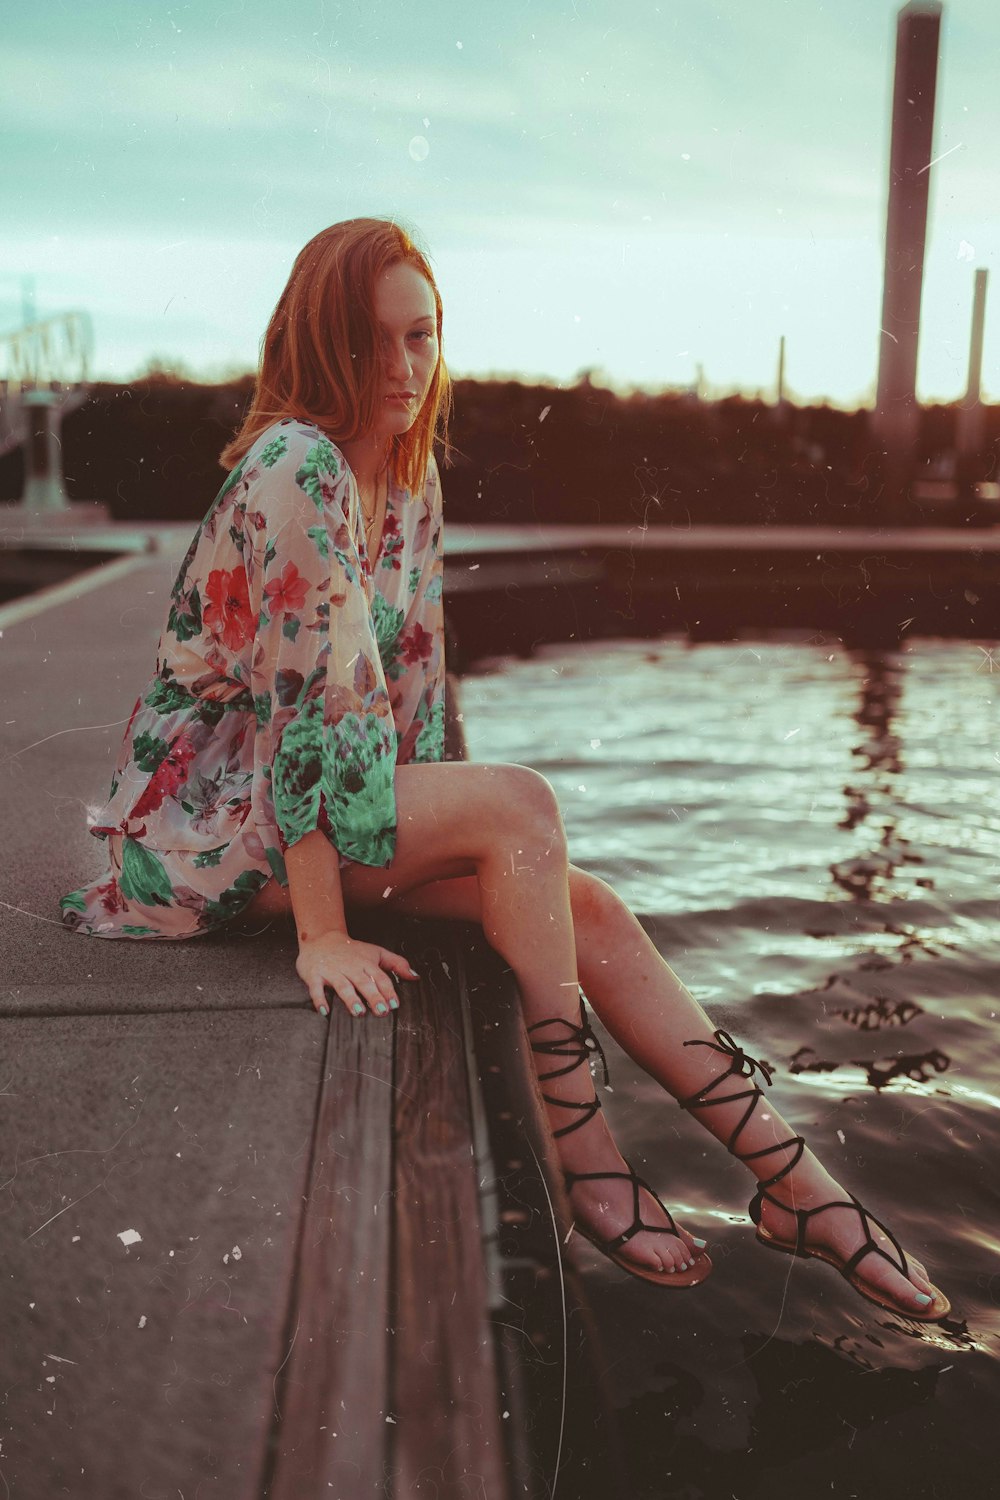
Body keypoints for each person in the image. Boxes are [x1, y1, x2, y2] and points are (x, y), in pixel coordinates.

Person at [60, 217, 949, 1318]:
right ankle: (586, 1155)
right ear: (315, 345)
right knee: (525, 807)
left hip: (313, 812)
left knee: (587, 904)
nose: (400, 368)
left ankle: (801, 1189)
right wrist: (326, 932)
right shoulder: (299, 465)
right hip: (201, 833)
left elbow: (417, 692)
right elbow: (298, 714)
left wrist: (470, 835)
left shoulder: (412, 472)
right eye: (369, 342)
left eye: (420, 337)